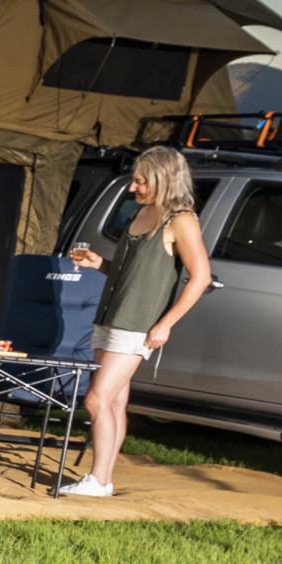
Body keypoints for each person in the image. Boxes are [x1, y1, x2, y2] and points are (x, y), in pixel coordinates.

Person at [59, 146, 212, 496]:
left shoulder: (181, 221)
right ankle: (103, 479)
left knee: (96, 400)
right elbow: (133, 274)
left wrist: (166, 323)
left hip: (137, 326)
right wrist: (100, 264)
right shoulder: (143, 213)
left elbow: (201, 277)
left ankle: (98, 480)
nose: (133, 188)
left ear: (162, 179)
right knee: (113, 402)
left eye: (140, 181)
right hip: (111, 317)